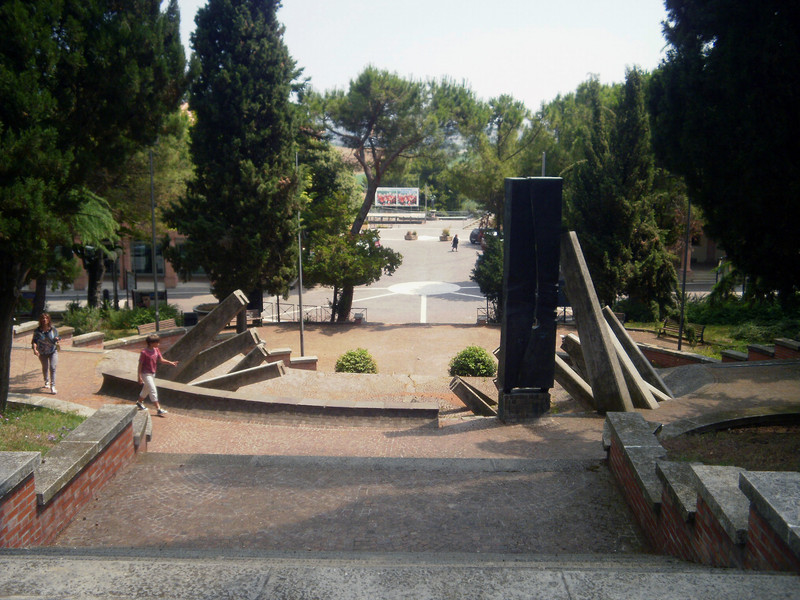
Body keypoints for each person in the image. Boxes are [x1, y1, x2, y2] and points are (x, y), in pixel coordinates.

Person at [137, 334, 178, 417]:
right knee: (152, 389)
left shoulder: (156, 350)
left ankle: (139, 402)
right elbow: (140, 365)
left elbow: (161, 360)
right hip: (145, 374)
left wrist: (170, 363)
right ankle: (158, 409)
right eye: (157, 342)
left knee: (146, 389)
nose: (158, 344)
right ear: (151, 343)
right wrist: (139, 376)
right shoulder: (144, 352)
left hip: (152, 373)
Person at [31, 313, 60, 394]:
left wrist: (57, 339)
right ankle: (46, 381)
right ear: (40, 320)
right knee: (45, 367)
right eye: (43, 318)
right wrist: (35, 349)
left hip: (53, 351)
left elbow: (58, 337)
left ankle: (53, 386)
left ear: (48, 320)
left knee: (52, 367)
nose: (44, 320)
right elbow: (34, 341)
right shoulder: (37, 331)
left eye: (46, 318)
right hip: (42, 352)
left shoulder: (53, 329)